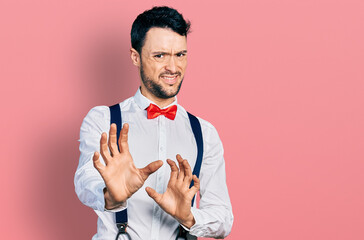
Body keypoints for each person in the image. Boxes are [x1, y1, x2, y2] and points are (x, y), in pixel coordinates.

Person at [75, 6, 233, 240]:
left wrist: (188, 217)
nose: (173, 67)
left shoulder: (204, 133)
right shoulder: (103, 120)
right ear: (135, 57)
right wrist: (111, 195)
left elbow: (223, 218)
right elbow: (85, 180)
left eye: (180, 54)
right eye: (160, 55)